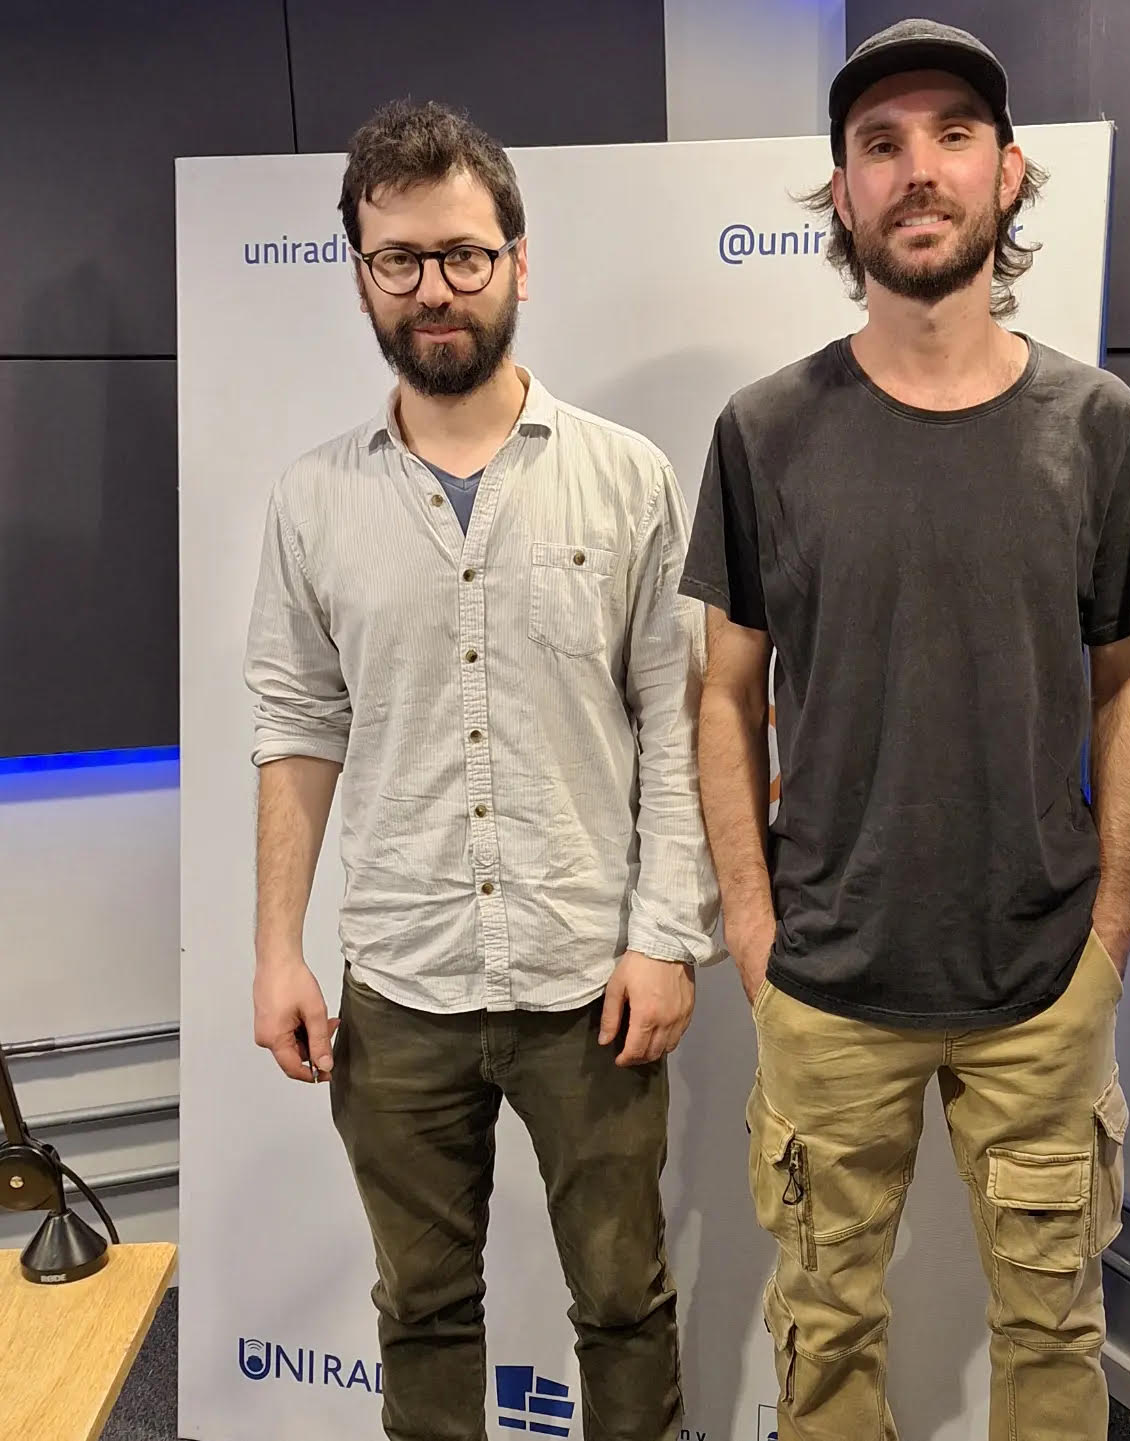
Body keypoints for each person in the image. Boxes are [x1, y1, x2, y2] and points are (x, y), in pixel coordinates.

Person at [681, 20, 1130, 1441]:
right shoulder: (764, 432)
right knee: (823, 1343)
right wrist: (753, 930)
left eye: (954, 135)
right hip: (829, 982)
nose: (919, 170)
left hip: (1043, 979)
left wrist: (1111, 929)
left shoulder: (1100, 425)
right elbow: (724, 694)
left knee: (1053, 1335)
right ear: (842, 192)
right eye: (881, 144)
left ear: (1007, 174)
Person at [244, 100, 717, 1441]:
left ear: (518, 258)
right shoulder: (312, 501)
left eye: (462, 253)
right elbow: (296, 723)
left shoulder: (627, 480)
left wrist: (665, 935)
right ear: (360, 275)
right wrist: (278, 950)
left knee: (624, 1302)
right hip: (399, 981)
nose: (434, 288)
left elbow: (677, 721)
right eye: (398, 259)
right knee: (422, 1307)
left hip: (590, 979)